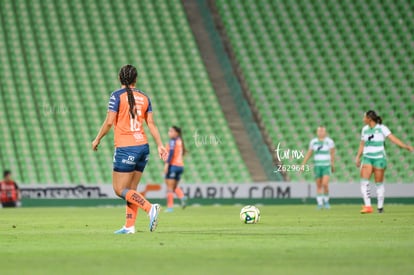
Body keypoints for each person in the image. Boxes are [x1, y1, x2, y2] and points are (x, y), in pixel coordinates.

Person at [92, 64, 167, 234]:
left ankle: (150, 208)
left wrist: (97, 139)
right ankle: (129, 226)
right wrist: (160, 145)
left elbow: (109, 122)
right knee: (131, 190)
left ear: (120, 78)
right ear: (136, 79)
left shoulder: (116, 96)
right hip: (143, 147)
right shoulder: (145, 97)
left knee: (119, 189)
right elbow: (152, 124)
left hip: (126, 147)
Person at [355, 110, 413, 214]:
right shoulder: (364, 129)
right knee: (364, 181)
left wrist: (405, 146)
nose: (363, 119)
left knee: (379, 183)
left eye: (364, 117)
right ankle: (368, 206)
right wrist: (358, 156)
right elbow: (362, 144)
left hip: (379, 158)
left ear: (369, 119)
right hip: (367, 158)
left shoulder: (382, 128)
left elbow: (393, 139)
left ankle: (380, 207)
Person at [301, 126, 335, 209]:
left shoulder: (329, 141)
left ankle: (326, 201)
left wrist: (332, 164)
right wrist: (303, 164)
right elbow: (309, 153)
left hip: (326, 166)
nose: (320, 132)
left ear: (325, 132)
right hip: (317, 166)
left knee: (325, 184)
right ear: (317, 132)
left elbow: (332, 153)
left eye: (322, 131)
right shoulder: (313, 142)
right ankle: (320, 203)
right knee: (319, 185)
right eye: (319, 131)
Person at [164, 126, 187, 212]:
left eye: (171, 131)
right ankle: (182, 196)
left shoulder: (173, 141)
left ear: (176, 133)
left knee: (169, 187)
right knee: (174, 186)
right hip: (180, 166)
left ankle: (170, 207)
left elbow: (171, 154)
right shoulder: (180, 141)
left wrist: (166, 165)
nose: (169, 133)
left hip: (173, 166)